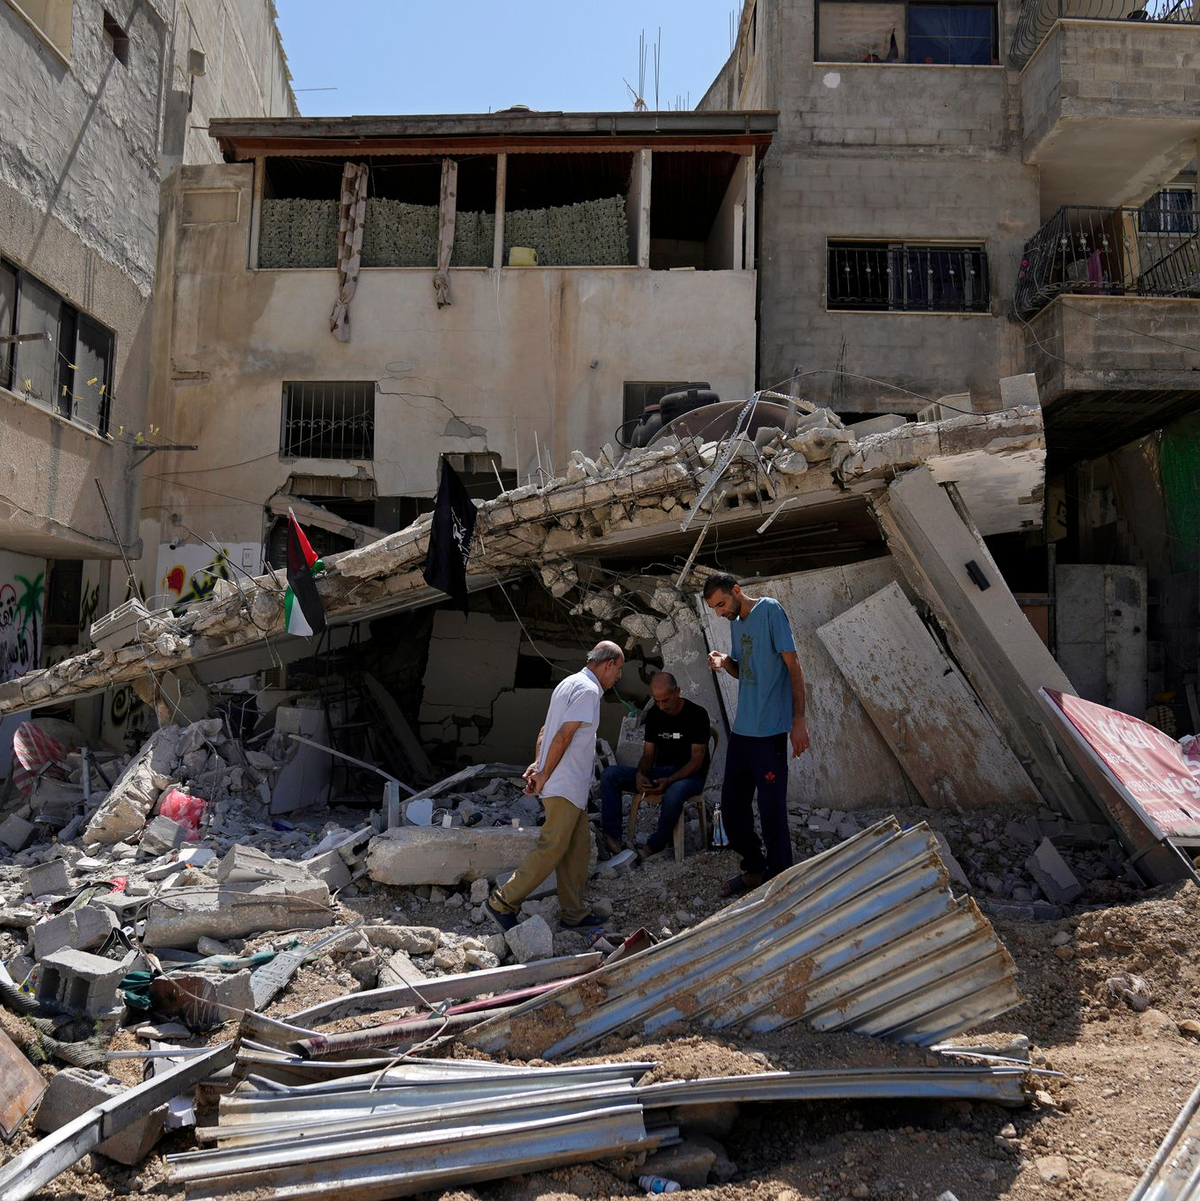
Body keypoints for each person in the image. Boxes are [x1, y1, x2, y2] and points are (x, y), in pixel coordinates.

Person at [485, 641, 625, 933]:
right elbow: (562, 736)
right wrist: (544, 772)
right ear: (609, 664)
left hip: (568, 787)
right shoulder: (588, 691)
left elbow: (544, 732)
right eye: (619, 669)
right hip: (565, 785)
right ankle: (502, 902)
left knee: (578, 849)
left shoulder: (569, 683)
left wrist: (539, 765)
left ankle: (574, 914)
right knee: (551, 848)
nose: (619, 676)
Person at [703, 572, 808, 896]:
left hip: (770, 731)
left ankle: (780, 880)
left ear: (736, 590)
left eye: (721, 604)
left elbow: (793, 666)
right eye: (714, 608)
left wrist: (799, 720)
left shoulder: (770, 610)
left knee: (771, 809)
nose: (719, 612)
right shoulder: (736, 624)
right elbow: (743, 670)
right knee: (732, 808)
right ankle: (755, 869)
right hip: (743, 731)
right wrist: (725, 662)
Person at [598, 671, 710, 860]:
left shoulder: (697, 715)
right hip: (660, 773)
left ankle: (654, 845)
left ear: (677, 692)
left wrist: (670, 780)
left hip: (689, 776)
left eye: (665, 701)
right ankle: (613, 839)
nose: (661, 706)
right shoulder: (654, 715)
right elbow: (648, 755)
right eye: (657, 701)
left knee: (674, 792)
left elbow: (696, 760)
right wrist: (640, 774)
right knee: (610, 775)